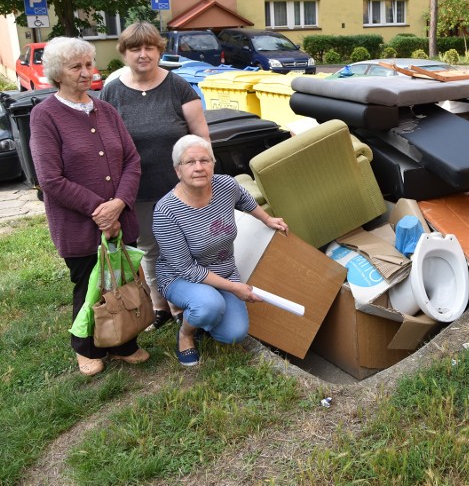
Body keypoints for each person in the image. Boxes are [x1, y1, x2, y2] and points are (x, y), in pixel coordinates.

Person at [30, 37, 148, 376]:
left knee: (121, 281)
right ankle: (86, 347)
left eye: (88, 65)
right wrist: (101, 210)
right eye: (76, 67)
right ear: (57, 73)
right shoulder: (45, 116)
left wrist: (120, 203)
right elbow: (50, 179)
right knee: (89, 286)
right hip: (80, 224)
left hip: (120, 217)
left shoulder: (106, 110)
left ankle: (123, 341)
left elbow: (131, 160)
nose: (87, 72)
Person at [101, 21, 210, 331]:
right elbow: (107, 144)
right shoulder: (113, 91)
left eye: (150, 47)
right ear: (123, 53)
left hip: (181, 187)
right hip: (139, 187)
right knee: (150, 248)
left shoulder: (178, 86)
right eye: (135, 48)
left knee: (188, 246)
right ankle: (161, 306)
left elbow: (200, 134)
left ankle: (187, 302)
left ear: (160, 50)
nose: (143, 54)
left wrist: (204, 173)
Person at [152, 135, 288, 366]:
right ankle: (186, 333)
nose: (198, 168)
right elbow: (186, 269)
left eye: (205, 161)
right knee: (209, 305)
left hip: (223, 271)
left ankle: (202, 314)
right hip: (180, 277)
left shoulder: (225, 185)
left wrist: (267, 219)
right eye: (190, 162)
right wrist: (235, 288)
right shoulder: (166, 212)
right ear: (178, 170)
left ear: (213, 164)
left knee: (233, 334)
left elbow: (244, 198)